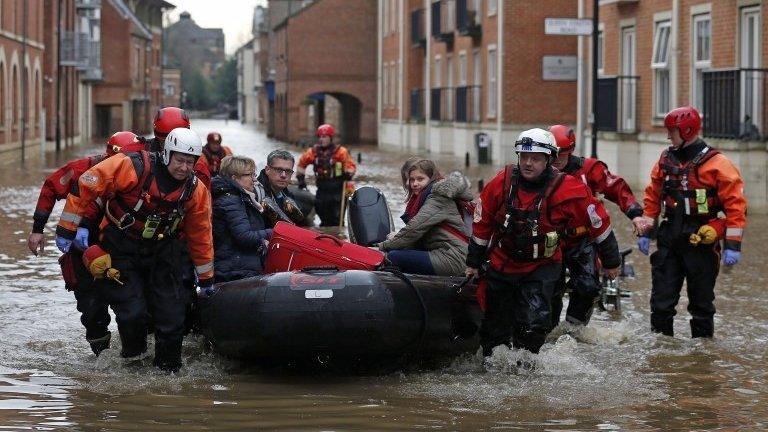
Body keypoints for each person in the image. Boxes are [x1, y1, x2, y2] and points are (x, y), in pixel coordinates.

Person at [55, 127, 214, 372]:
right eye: (180, 160)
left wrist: (206, 278)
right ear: (167, 154)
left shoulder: (195, 190)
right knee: (132, 313)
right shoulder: (132, 166)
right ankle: (133, 365)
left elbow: (200, 234)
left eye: (190, 162)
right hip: (122, 244)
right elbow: (87, 183)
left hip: (163, 249)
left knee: (173, 318)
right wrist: (68, 228)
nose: (184, 167)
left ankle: (169, 371)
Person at [465, 128, 621, 358]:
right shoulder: (502, 182)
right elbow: (482, 223)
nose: (528, 163)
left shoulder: (570, 188)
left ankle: (527, 375)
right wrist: (474, 262)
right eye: (524, 157)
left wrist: (611, 261)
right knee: (494, 333)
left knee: (533, 327)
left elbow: (598, 222)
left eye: (535, 158)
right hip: (503, 263)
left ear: (549, 159)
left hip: (542, 266)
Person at [635, 106, 747, 338]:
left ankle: (702, 357)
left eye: (672, 131)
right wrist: (646, 230)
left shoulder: (718, 164)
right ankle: (662, 351)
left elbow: (736, 207)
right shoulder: (665, 159)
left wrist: (732, 246)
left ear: (686, 131)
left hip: (702, 241)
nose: (668, 136)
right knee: (661, 305)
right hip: (670, 239)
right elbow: (652, 197)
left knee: (702, 307)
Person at [29, 131, 143, 355]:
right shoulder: (85, 168)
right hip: (82, 253)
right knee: (92, 311)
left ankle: (134, 356)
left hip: (122, 250)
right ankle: (102, 355)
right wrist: (37, 229)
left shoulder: (144, 174)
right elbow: (51, 186)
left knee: (133, 309)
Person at [548, 124, 645, 327]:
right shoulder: (538, 170)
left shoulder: (589, 169)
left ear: (570, 151)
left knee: (588, 286)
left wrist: (635, 214)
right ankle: (546, 328)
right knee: (547, 289)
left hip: (581, 240)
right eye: (552, 154)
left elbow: (617, 188)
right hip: (550, 241)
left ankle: (574, 328)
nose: (556, 160)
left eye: (561, 154)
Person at [379, 160, 471, 276]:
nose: (414, 183)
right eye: (412, 179)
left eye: (420, 179)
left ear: (431, 179)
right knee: (396, 250)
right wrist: (393, 240)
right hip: (443, 252)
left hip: (454, 258)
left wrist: (382, 246)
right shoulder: (423, 198)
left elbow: (413, 229)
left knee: (394, 256)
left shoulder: (438, 198)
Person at [211, 156, 272, 282]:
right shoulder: (231, 200)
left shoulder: (237, 197)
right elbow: (244, 236)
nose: (254, 179)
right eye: (249, 175)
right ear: (234, 178)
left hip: (238, 265)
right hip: (235, 270)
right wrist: (273, 232)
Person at [296, 124, 356, 226]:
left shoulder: (340, 152)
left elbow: (351, 166)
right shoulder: (313, 152)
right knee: (322, 214)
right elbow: (301, 163)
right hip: (322, 188)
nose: (321, 139)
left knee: (337, 219)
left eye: (324, 137)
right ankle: (325, 233)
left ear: (330, 138)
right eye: (320, 137)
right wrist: (301, 179)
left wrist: (348, 173)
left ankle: (337, 234)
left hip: (338, 189)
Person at [255, 149, 305, 226]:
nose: (283, 175)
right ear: (267, 170)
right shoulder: (255, 194)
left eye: (288, 171)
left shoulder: (287, 194)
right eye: (278, 170)